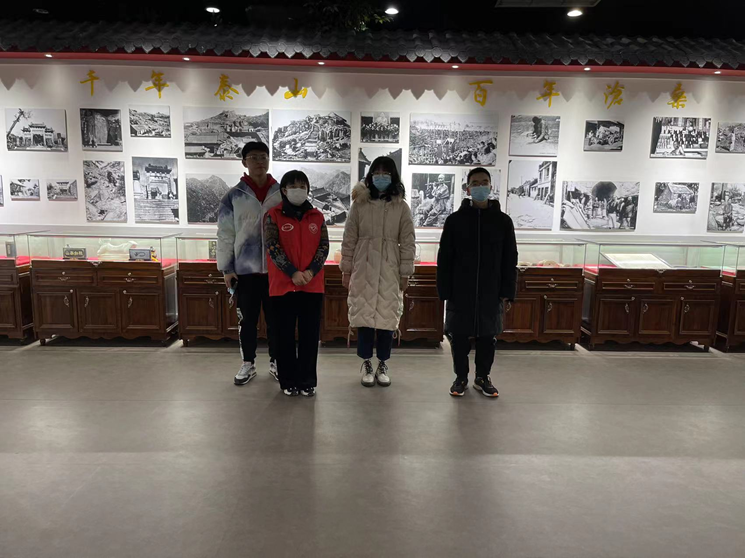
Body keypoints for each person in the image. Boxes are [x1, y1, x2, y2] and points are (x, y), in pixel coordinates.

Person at [437, 167, 518, 398]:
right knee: (459, 337)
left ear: (491, 187)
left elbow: (510, 257)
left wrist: (507, 290)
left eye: (484, 182)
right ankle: (460, 378)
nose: (480, 187)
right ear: (468, 188)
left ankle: (482, 377)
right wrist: (444, 290)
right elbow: (445, 258)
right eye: (475, 183)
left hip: (490, 290)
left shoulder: (503, 222)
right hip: (460, 290)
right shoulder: (455, 221)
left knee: (487, 337)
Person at [341, 156, 416, 388]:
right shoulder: (359, 205)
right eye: (377, 172)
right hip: (363, 266)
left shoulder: (401, 207)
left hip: (390, 267)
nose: (381, 177)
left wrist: (405, 272)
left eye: (386, 173)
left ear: (393, 177)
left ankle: (383, 363)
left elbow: (408, 241)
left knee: (387, 318)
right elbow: (349, 238)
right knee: (363, 317)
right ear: (370, 175)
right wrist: (346, 269)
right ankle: (366, 362)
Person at [217, 141, 281, 386]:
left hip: (277, 271)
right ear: (244, 162)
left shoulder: (281, 192)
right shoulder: (233, 196)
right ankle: (248, 363)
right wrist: (227, 268)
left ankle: (277, 361)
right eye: (253, 157)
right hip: (245, 272)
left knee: (277, 321)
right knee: (247, 321)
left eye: (263, 156)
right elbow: (225, 234)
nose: (259, 161)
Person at [264, 170, 329, 397]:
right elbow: (272, 246)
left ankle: (307, 381)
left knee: (310, 336)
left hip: (312, 285)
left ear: (308, 190)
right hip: (283, 285)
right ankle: (288, 381)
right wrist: (292, 272)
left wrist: (311, 271)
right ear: (284, 190)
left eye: (302, 186)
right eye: (293, 186)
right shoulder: (273, 215)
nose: (298, 190)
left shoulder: (317, 216)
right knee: (284, 336)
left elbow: (324, 247)